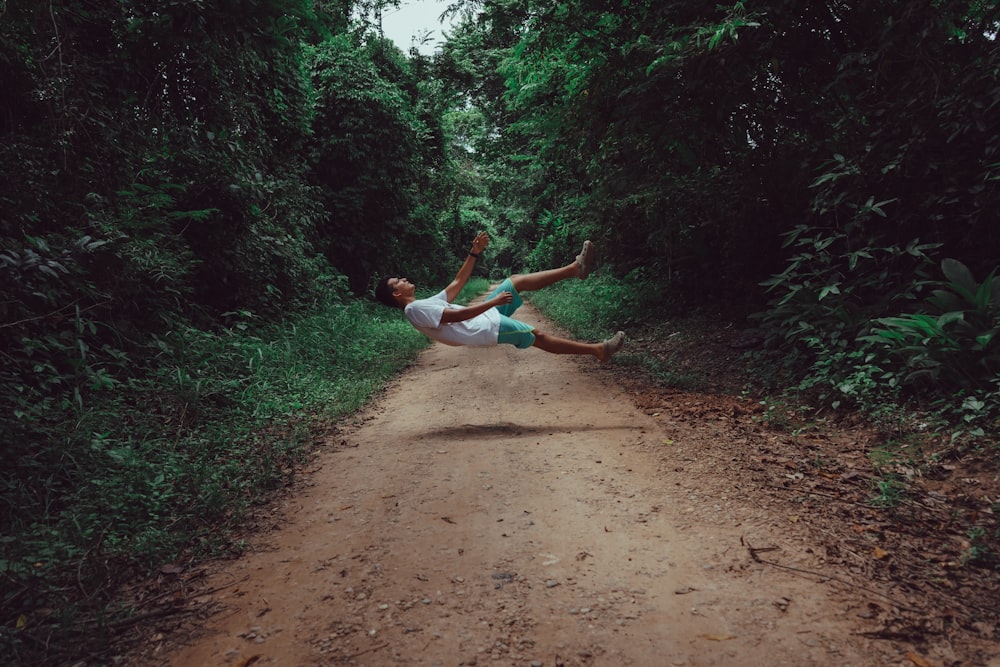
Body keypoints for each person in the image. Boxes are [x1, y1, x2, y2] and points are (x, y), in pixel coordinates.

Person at [375, 232, 625, 362]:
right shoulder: (413, 310)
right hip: (485, 328)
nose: (405, 279)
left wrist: (474, 253)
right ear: (397, 293)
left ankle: (574, 269)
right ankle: (598, 350)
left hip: (485, 317)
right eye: (399, 281)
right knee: (535, 336)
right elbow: (455, 316)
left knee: (514, 281)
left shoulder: (421, 304)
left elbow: (457, 283)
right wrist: (492, 302)